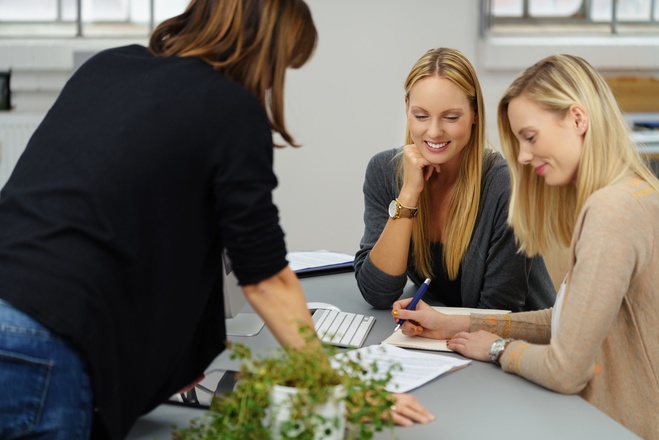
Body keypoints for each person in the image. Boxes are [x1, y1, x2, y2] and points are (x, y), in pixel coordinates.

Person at [0, 1, 433, 438]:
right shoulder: (230, 108)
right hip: (42, 341)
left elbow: (129, 233)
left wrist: (175, 357)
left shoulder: (109, 66)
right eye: (282, 64)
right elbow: (263, 276)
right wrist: (336, 388)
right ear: (265, 51)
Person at [392, 54, 659, 439]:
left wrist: (499, 350)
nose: (522, 156)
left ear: (578, 120)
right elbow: (563, 323)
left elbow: (567, 369)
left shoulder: (611, 211)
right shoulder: (634, 191)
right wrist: (456, 323)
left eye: (529, 137)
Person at [354, 47, 555, 312]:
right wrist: (408, 194)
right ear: (406, 109)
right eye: (421, 116)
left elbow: (497, 313)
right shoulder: (383, 171)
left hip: (517, 344)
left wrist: (439, 326)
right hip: (449, 339)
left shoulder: (505, 187)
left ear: (474, 115)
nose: (434, 132)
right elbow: (377, 292)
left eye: (450, 117)